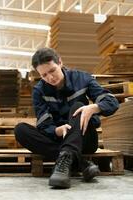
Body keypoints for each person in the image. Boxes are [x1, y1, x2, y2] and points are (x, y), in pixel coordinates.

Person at [14, 47, 119, 189]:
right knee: (20, 130)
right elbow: (44, 125)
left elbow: (112, 102)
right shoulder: (39, 91)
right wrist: (57, 130)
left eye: (52, 71)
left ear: (60, 63)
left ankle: (65, 162)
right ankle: (80, 163)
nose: (50, 78)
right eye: (44, 75)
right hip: (59, 138)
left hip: (85, 138)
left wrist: (93, 107)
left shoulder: (82, 78)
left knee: (78, 106)